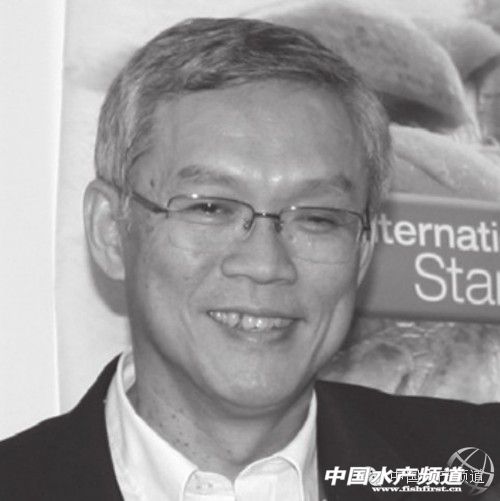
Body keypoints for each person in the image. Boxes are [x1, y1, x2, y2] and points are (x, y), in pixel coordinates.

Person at [0, 17, 499, 501]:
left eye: (317, 218)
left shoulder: (473, 472)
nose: (265, 264)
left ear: (363, 252)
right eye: (211, 208)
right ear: (111, 230)